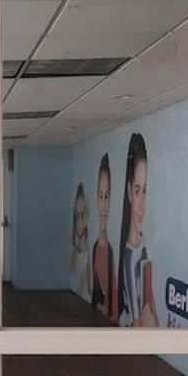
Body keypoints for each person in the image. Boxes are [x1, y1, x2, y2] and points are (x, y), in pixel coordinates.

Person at [117, 133, 159, 327]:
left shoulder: (143, 245)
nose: (142, 204)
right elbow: (136, 326)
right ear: (128, 192)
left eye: (145, 190)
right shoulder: (128, 258)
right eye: (136, 190)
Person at [91, 153, 117, 321]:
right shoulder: (95, 249)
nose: (103, 205)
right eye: (100, 197)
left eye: (106, 197)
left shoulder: (111, 253)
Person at [69, 182, 92, 300]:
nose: (80, 220)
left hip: (82, 291)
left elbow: (88, 266)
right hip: (76, 288)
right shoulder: (74, 236)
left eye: (82, 215)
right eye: (77, 216)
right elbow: (71, 265)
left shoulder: (86, 239)